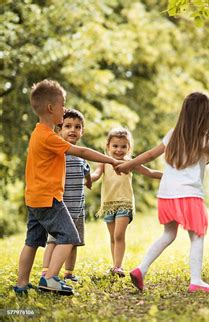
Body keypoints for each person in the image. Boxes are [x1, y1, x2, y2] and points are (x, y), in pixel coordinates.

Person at [115, 92, 209, 292]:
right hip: (189, 196)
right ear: (206, 116)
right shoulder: (204, 141)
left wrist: (129, 164)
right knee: (197, 237)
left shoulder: (172, 135)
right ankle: (196, 281)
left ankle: (141, 269)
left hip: (166, 195)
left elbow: (150, 154)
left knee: (168, 234)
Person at [13, 79, 119, 296]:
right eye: (63, 105)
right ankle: (50, 278)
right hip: (48, 198)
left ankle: (21, 284)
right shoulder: (48, 137)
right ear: (52, 108)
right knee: (70, 236)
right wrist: (111, 161)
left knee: (31, 242)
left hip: (34, 198)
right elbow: (81, 152)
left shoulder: (37, 133)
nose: (64, 109)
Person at [91, 127, 162, 277]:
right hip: (108, 204)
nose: (119, 150)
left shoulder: (130, 163)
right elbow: (96, 175)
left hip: (125, 203)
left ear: (129, 148)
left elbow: (149, 172)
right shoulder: (104, 162)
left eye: (123, 146)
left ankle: (118, 267)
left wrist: (171, 176)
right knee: (112, 237)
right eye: (115, 146)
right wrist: (87, 178)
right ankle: (115, 265)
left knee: (118, 235)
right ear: (108, 146)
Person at [42, 109, 92, 283]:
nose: (73, 130)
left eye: (77, 127)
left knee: (74, 242)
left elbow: (86, 173)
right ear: (59, 130)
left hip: (77, 209)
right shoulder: (58, 152)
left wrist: (90, 180)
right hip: (59, 209)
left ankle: (69, 273)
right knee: (53, 241)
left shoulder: (81, 156)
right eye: (68, 126)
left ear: (82, 132)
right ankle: (46, 271)